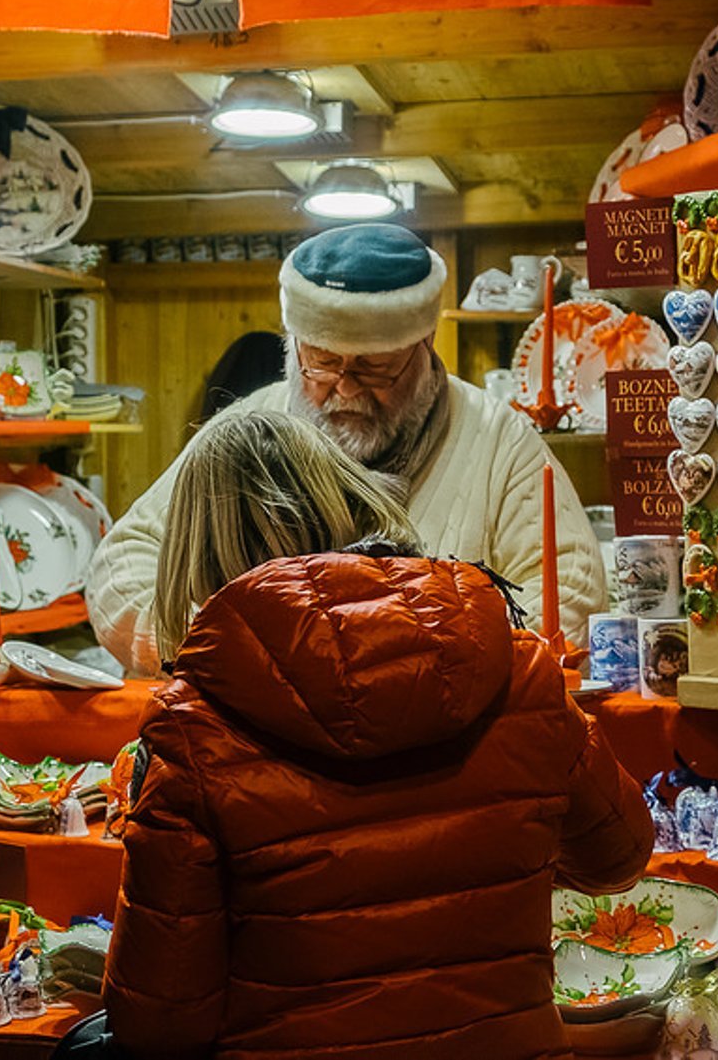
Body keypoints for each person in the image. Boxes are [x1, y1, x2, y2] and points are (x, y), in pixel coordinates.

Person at [101, 411, 652, 1059]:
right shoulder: (516, 667)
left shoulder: (192, 731)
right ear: (346, 494)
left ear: (195, 557)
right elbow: (620, 855)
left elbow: (158, 1020)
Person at [89, 223, 606, 676]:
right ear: (292, 349)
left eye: (374, 368)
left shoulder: (498, 442)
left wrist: (410, 674)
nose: (346, 388)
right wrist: (225, 654)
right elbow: (122, 567)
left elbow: (569, 596)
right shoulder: (251, 428)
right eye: (321, 363)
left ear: (425, 349)